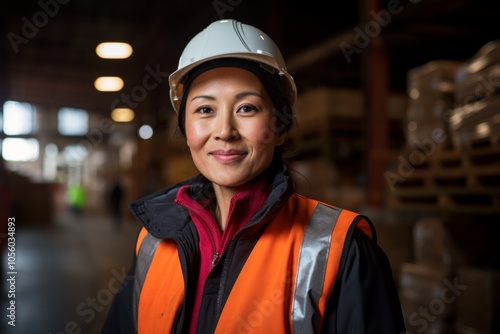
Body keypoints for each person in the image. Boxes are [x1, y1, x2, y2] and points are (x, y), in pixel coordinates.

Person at [102, 19, 406, 333]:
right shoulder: (154, 242)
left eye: (247, 108)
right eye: (205, 110)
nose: (224, 132)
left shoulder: (340, 251)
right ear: (185, 130)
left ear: (280, 128)